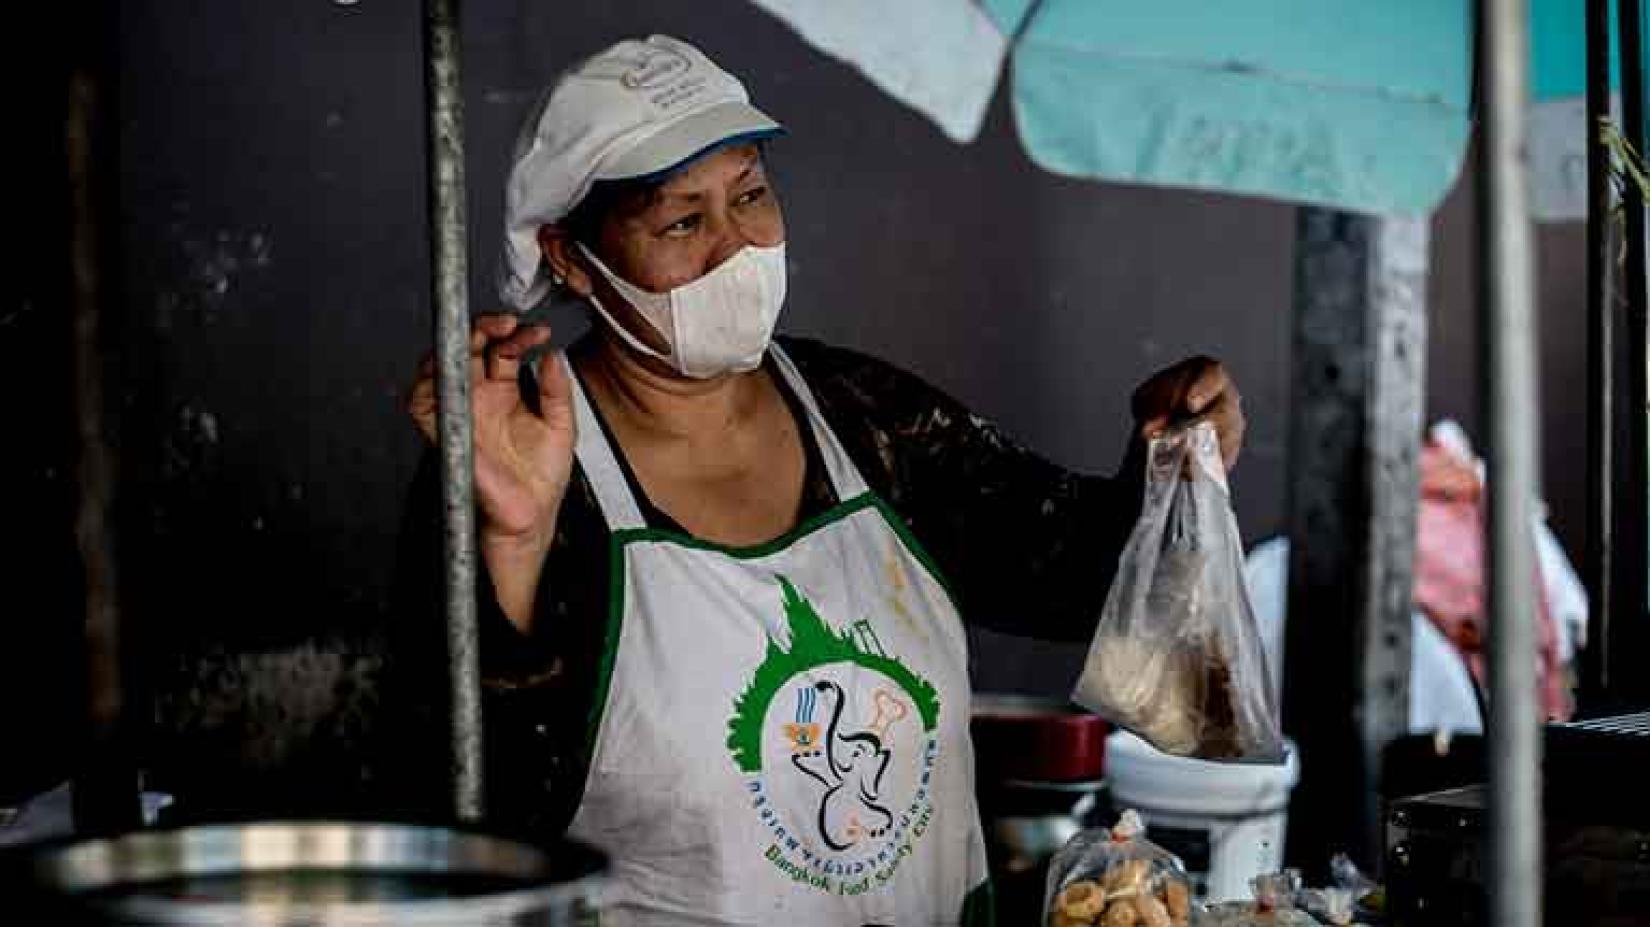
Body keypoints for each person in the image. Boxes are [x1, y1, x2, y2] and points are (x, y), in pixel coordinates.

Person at [393, 34, 1246, 926]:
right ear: (570, 257)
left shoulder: (861, 415)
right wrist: (515, 544)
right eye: (683, 221)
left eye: (751, 195)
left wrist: (1171, 467)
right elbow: (466, 812)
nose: (735, 248)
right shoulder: (518, 460)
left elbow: (1076, 576)